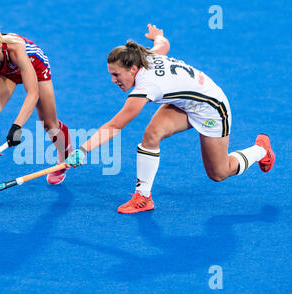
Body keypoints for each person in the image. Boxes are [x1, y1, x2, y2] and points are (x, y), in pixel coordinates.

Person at [65, 24, 275, 213]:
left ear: (133, 69)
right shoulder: (144, 57)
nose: (113, 80)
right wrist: (157, 36)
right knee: (151, 134)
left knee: (219, 173)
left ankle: (261, 150)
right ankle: (143, 198)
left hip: (212, 108)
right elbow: (163, 45)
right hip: (185, 103)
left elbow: (115, 126)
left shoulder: (146, 87)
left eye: (117, 75)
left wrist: (83, 150)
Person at [0, 19, 73, 200]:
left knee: (49, 123)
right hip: (4, 72)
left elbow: (32, 93)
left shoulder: (16, 49)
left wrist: (16, 127)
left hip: (34, 66)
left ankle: (65, 158)